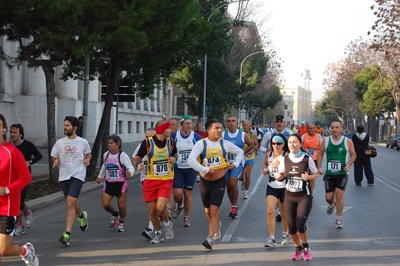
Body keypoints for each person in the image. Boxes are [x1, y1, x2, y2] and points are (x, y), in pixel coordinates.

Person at [188, 119, 244, 250]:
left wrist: (235, 164)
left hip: (219, 181)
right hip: (205, 182)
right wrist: (205, 170)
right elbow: (191, 160)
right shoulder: (201, 144)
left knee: (214, 210)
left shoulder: (225, 144)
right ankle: (215, 224)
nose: (220, 130)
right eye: (216, 128)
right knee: (208, 211)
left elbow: (240, 152)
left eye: (220, 128)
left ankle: (210, 238)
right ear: (208, 131)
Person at [0, 114, 39, 265]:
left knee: (4, 249)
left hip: (7, 207)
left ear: (3, 130)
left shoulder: (12, 152)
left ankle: (26, 251)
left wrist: (7, 190)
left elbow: (25, 178)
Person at [276, 134, 319, 261]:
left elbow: (315, 174)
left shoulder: (307, 159)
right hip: (289, 196)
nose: (292, 145)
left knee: (300, 224)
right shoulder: (285, 159)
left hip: (304, 196)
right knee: (292, 228)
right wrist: (279, 175)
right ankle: (298, 248)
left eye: (295, 142)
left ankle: (306, 247)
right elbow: (281, 173)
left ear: (300, 144)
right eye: (290, 142)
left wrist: (308, 177)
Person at [135, 120, 177, 244]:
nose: (171, 130)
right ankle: (158, 233)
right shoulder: (148, 142)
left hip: (166, 179)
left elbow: (175, 153)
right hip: (150, 179)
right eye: (169, 128)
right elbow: (138, 156)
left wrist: (174, 158)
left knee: (160, 206)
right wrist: (139, 164)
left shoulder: (171, 141)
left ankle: (167, 224)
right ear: (161, 129)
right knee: (152, 210)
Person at [51, 116, 91, 246]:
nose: (65, 127)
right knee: (71, 204)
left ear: (75, 128)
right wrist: (55, 161)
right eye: (64, 125)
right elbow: (54, 156)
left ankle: (67, 234)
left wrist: (87, 160)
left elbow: (88, 154)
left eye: (67, 125)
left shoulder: (83, 142)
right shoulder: (59, 143)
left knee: (70, 203)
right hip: (64, 176)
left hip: (77, 175)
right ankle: (81, 216)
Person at [317, 121, 356, 229]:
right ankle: (331, 203)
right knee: (328, 197)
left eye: (337, 127)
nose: (334, 129)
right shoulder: (326, 140)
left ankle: (338, 219)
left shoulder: (347, 141)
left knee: (339, 195)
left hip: (342, 173)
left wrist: (349, 164)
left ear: (341, 128)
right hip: (329, 173)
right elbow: (320, 154)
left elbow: (353, 155)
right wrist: (319, 167)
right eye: (332, 127)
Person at [96, 135, 135, 232]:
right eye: (108, 143)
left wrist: (130, 173)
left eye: (111, 143)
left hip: (121, 184)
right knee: (105, 204)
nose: (109, 145)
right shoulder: (106, 155)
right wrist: (100, 176)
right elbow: (104, 166)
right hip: (109, 183)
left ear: (118, 144)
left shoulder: (122, 155)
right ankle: (114, 214)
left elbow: (130, 167)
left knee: (121, 205)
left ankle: (121, 222)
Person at [9, 124, 43, 236]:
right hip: (11, 178)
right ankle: (22, 221)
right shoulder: (9, 146)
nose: (12, 135)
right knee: (16, 202)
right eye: (11, 132)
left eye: (15, 133)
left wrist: (30, 162)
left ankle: (23, 219)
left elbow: (39, 155)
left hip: (24, 178)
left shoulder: (28, 145)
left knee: (18, 202)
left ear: (21, 134)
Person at [170, 115, 201, 227]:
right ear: (181, 125)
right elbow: (169, 150)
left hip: (190, 168)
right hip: (178, 168)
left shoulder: (195, 136)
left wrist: (201, 165)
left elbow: (202, 150)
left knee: (187, 193)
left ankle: (186, 217)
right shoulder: (174, 136)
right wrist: (173, 155)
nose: (189, 126)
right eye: (187, 123)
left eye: (190, 123)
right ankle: (180, 205)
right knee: (177, 193)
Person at [262, 133, 291, 248]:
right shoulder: (269, 154)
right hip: (272, 186)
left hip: (285, 187)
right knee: (270, 211)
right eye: (273, 143)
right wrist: (265, 169)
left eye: (278, 143)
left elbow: (293, 171)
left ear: (283, 145)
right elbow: (265, 164)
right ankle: (272, 238)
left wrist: (282, 174)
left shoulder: (287, 155)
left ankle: (285, 235)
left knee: (284, 213)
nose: (276, 145)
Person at [223, 115, 254, 219]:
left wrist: (244, 151)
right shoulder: (223, 135)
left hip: (238, 163)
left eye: (233, 121)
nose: (231, 123)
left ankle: (234, 206)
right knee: (228, 185)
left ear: (237, 123)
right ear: (226, 123)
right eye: (229, 121)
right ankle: (233, 206)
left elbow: (251, 144)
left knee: (232, 182)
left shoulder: (242, 135)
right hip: (226, 163)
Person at [132, 128, 157, 239]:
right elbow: (135, 157)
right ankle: (152, 227)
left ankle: (160, 223)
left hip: (161, 179)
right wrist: (138, 164)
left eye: (151, 136)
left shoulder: (163, 145)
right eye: (147, 137)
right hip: (146, 178)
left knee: (159, 206)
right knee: (151, 206)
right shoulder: (142, 145)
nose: (149, 139)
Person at [301, 123, 324, 193]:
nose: (312, 129)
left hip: (314, 159)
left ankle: (311, 192)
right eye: (310, 128)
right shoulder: (303, 136)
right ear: (307, 129)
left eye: (313, 128)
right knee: (304, 175)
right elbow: (300, 145)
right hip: (305, 158)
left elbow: (322, 146)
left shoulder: (318, 136)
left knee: (312, 177)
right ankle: (304, 190)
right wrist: (303, 149)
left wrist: (318, 148)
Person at [241, 120, 258, 199]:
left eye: (247, 125)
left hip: (249, 158)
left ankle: (246, 192)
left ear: (250, 126)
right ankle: (243, 180)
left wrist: (253, 150)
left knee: (247, 175)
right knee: (240, 177)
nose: (245, 127)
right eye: (244, 125)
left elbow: (256, 145)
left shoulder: (253, 135)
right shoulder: (239, 134)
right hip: (240, 158)